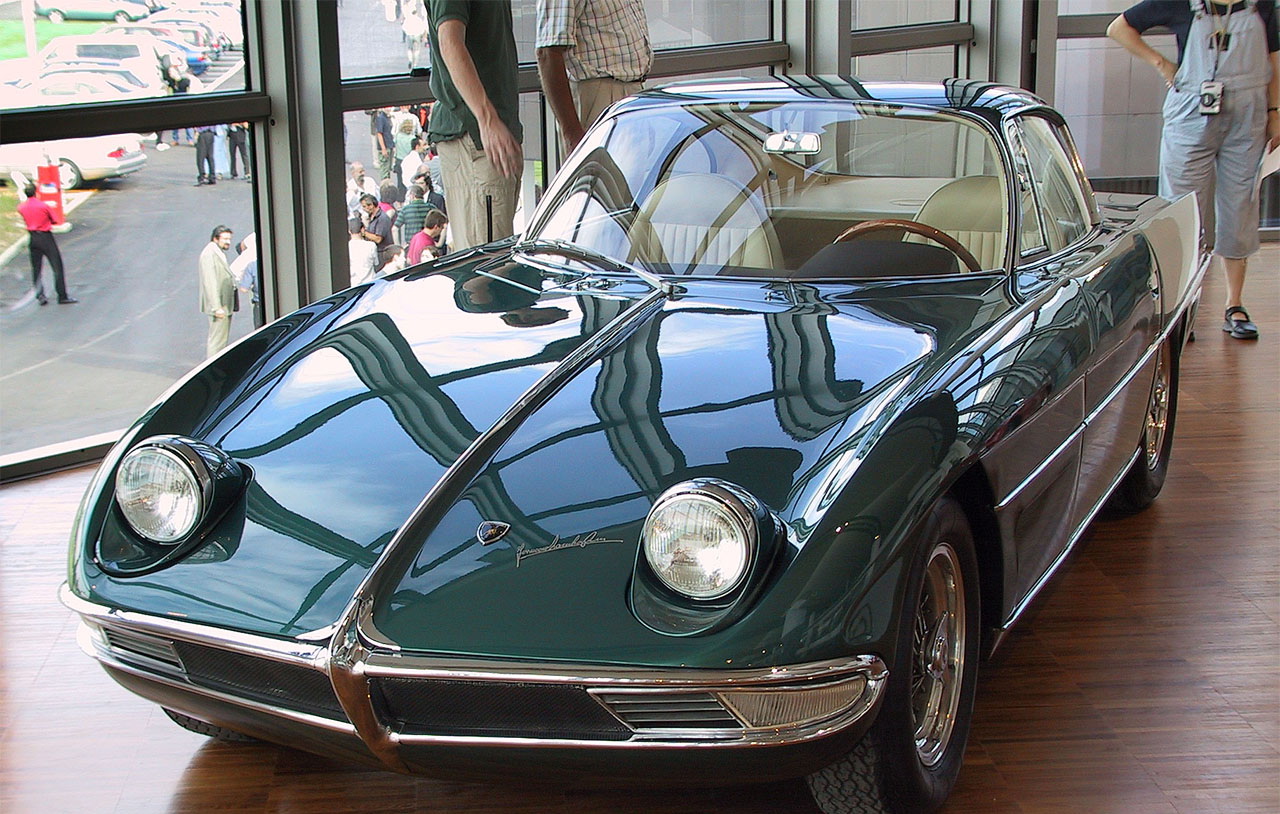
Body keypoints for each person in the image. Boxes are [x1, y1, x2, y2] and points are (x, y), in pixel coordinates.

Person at [1109, 0, 1280, 340]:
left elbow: (1275, 57)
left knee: (1240, 203)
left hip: (1249, 115)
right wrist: (1162, 64)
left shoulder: (1260, 4)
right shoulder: (1179, 2)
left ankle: (1235, 305)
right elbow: (1119, 28)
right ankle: (1181, 307)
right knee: (1182, 210)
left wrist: (1275, 111)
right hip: (1190, 111)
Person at [425, 0, 524, 250]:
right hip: (474, 139)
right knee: (487, 262)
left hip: (491, 137)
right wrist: (487, 119)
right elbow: (450, 42)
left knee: (495, 253)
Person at [536, 0, 653, 153]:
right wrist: (572, 135)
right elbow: (547, 53)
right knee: (602, 167)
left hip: (632, 92)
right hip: (598, 95)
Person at [18, 184, 76, 306]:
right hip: (46, 237)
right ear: (36, 192)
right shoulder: (43, 206)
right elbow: (55, 220)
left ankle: (40, 296)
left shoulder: (22, 207)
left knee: (36, 268)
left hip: (33, 238)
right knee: (57, 266)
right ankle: (62, 296)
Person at [199, 225, 236, 358]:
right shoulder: (209, 254)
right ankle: (213, 367)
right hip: (220, 306)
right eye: (225, 239)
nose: (228, 242)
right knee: (217, 341)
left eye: (229, 239)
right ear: (215, 238)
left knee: (221, 340)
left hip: (224, 305)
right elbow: (210, 282)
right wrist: (216, 307)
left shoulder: (217, 252)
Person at [358, 193, 396, 263]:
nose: (365, 209)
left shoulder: (382, 218)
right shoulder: (371, 217)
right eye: (363, 206)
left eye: (366, 206)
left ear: (372, 205)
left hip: (382, 254)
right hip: (376, 252)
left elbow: (378, 239)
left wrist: (364, 233)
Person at [349, 217, 379, 286]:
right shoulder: (371, 245)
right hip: (370, 283)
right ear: (362, 230)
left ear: (349, 231)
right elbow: (376, 263)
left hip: (353, 284)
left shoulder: (347, 247)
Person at [370, 107, 394, 181]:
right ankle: (384, 184)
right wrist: (383, 148)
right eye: (387, 107)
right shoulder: (380, 118)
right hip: (385, 147)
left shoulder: (388, 117)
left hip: (389, 146)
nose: (388, 109)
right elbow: (379, 134)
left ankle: (388, 183)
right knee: (384, 171)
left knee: (388, 169)